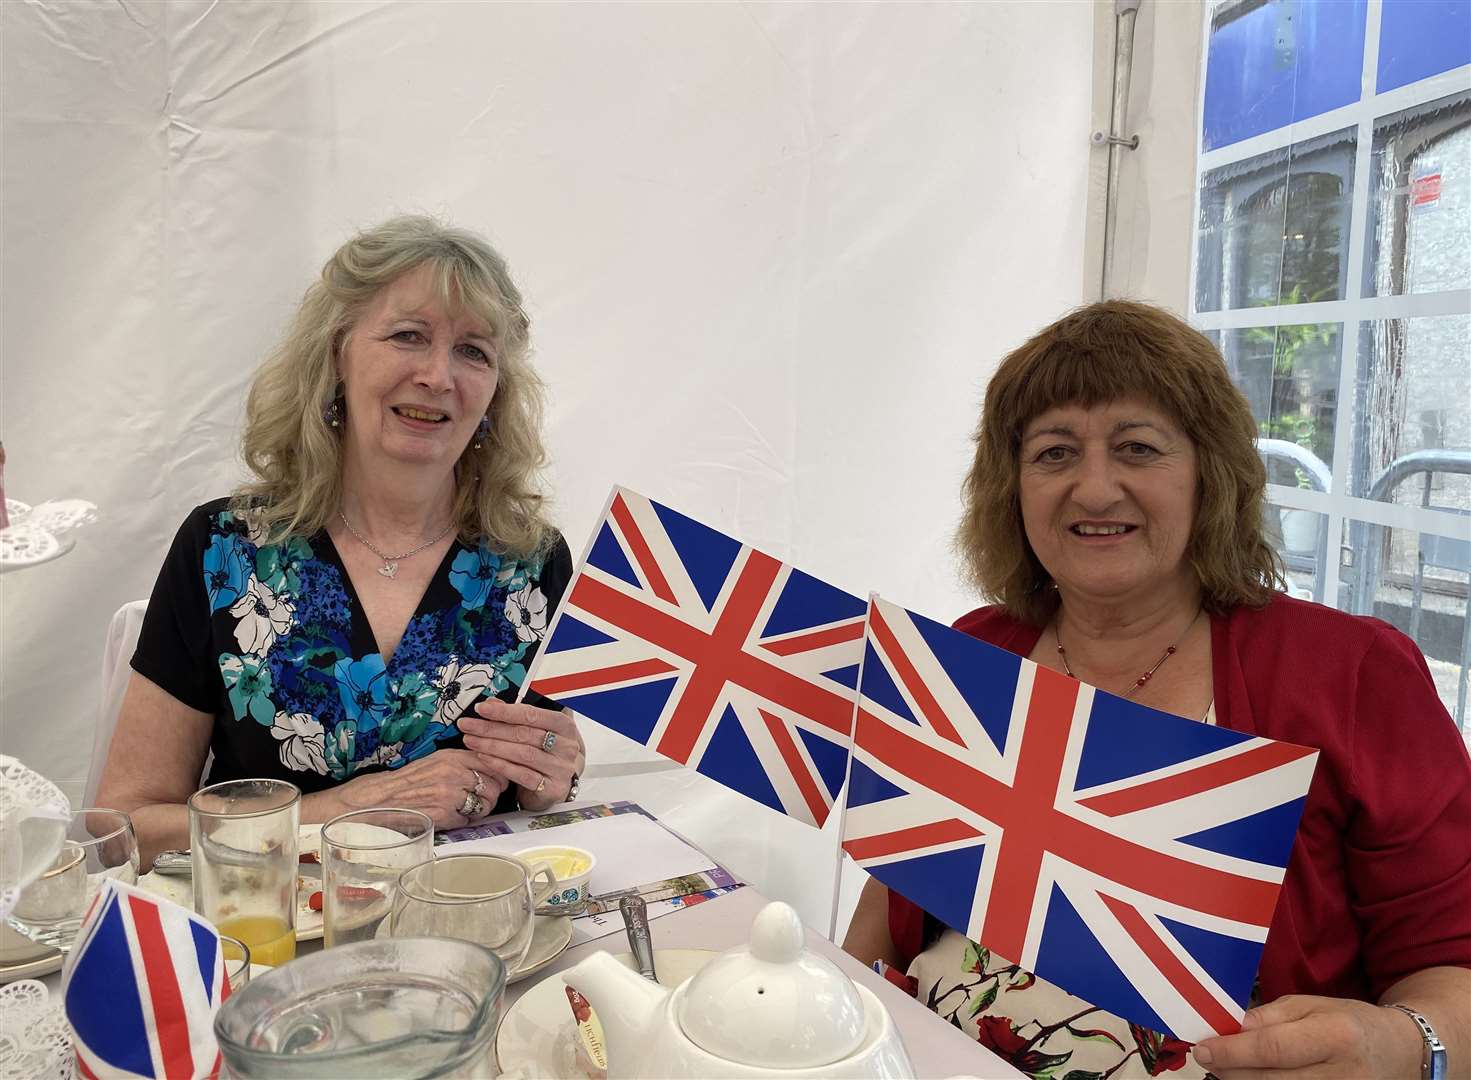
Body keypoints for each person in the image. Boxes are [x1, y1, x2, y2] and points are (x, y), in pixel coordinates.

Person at [843, 301, 1471, 1079]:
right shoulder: (974, 647)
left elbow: (1452, 961)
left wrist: (1404, 1045)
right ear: (1012, 487)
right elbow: (893, 890)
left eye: (1137, 448)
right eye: (1053, 453)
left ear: (1210, 475)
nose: (1094, 488)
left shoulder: (1351, 672)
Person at [97, 217, 585, 866]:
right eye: (409, 336)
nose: (439, 376)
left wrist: (553, 774)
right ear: (336, 357)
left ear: (496, 393)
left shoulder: (529, 561)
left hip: (471, 932)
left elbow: (529, 804)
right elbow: (122, 827)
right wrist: (342, 810)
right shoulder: (224, 549)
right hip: (264, 939)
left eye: (474, 351)